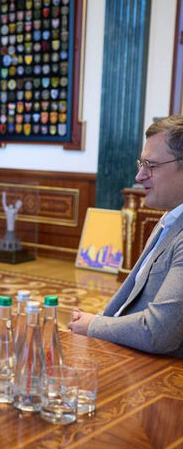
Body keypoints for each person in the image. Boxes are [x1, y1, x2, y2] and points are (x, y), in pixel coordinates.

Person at [69, 115, 183, 356]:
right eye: (141, 164)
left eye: (151, 166)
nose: (139, 176)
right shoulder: (170, 218)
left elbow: (159, 331)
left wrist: (94, 325)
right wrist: (98, 320)